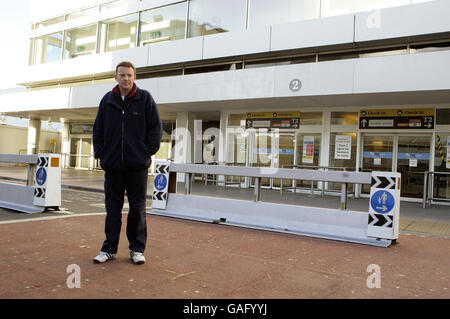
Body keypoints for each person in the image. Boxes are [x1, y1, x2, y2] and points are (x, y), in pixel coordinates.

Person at [92, 61, 162, 265]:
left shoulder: (145, 99)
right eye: (122, 75)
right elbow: (98, 130)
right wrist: (101, 154)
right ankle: (109, 249)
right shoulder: (107, 100)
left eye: (129, 75)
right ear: (116, 77)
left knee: (137, 209)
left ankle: (137, 249)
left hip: (137, 167)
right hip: (113, 166)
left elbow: (155, 128)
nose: (126, 79)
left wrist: (146, 153)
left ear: (134, 77)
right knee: (112, 209)